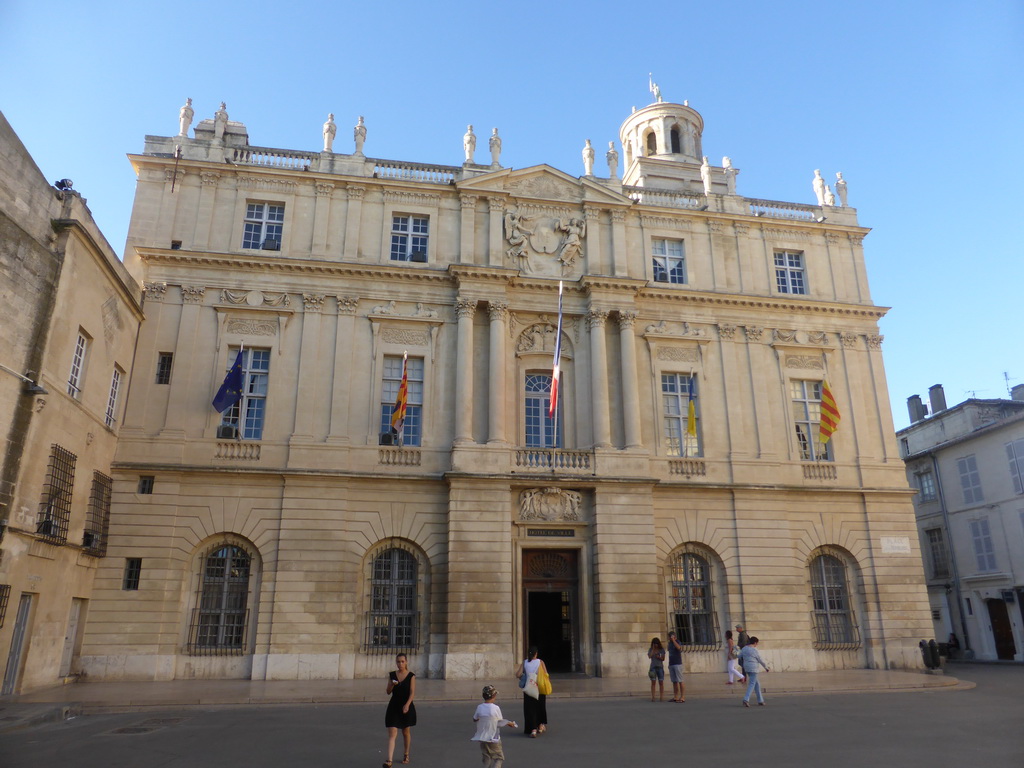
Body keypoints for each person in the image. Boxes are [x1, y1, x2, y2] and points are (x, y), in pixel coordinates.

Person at [471, 685, 518, 768]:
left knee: (486, 758)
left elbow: (475, 719)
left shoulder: (479, 707)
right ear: (494, 696)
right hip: (493, 737)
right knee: (499, 758)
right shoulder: (495, 708)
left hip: (482, 737)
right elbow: (499, 722)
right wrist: (509, 723)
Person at [384, 653, 417, 766]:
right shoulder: (392, 675)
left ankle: (406, 754)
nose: (400, 664)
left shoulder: (411, 676)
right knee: (392, 732)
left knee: (405, 731)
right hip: (394, 706)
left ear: (406, 662)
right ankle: (389, 761)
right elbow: (388, 691)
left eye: (402, 661)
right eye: (398, 662)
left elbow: (412, 693)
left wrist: (407, 704)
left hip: (406, 706)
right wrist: (392, 685)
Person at [514, 646, 548, 738]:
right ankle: (540, 726)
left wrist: (524, 676)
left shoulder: (525, 662)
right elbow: (545, 674)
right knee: (540, 706)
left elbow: (517, 674)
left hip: (528, 687)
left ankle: (533, 729)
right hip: (539, 687)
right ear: (536, 653)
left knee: (530, 708)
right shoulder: (540, 662)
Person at [739, 636, 770, 707]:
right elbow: (760, 659)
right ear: (755, 643)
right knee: (752, 683)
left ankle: (760, 700)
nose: (757, 645)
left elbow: (739, 656)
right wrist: (766, 667)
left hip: (746, 667)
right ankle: (746, 699)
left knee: (757, 684)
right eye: (757, 643)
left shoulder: (744, 648)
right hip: (754, 668)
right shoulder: (754, 650)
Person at [666, 631, 685, 702]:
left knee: (680, 680)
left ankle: (682, 697)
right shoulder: (669, 644)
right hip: (672, 664)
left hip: (677, 664)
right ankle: (675, 696)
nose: (668, 638)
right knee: (674, 681)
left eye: (669, 637)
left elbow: (678, 648)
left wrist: (674, 640)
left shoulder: (677, 642)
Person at [647, 637, 666, 702]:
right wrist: (653, 649)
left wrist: (659, 657)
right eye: (654, 644)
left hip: (660, 667)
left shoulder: (661, 650)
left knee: (661, 682)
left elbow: (663, 659)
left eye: (656, 643)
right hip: (653, 667)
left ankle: (661, 696)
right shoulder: (651, 649)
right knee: (653, 682)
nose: (656, 645)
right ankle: (653, 697)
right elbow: (649, 656)